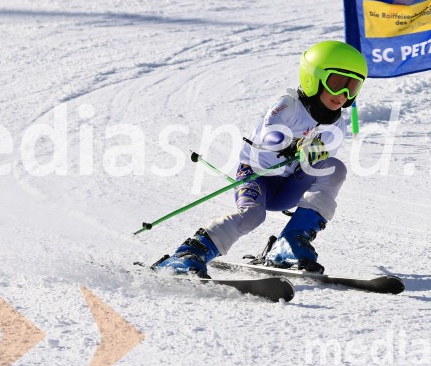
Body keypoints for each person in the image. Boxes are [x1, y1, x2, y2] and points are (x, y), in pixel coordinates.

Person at [151, 40, 368, 278]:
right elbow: (269, 134)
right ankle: (189, 252)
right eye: (336, 84)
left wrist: (314, 152)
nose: (343, 94)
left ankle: (289, 243)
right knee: (253, 215)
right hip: (258, 175)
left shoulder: (338, 124)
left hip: (290, 186)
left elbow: (321, 163)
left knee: (335, 168)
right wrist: (293, 143)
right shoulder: (290, 105)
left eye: (352, 86)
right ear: (313, 78)